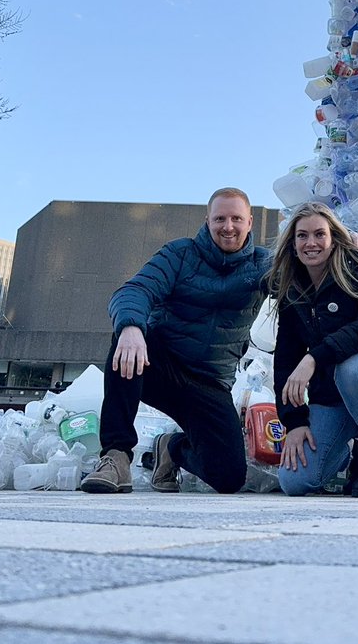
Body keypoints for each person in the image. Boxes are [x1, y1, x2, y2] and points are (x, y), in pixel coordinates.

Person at [81, 187, 271, 495]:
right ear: (207, 220)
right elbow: (135, 291)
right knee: (126, 337)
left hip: (210, 383)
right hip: (161, 365)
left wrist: (351, 245)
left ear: (250, 222)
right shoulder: (179, 253)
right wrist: (130, 328)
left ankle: (173, 447)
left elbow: (303, 271)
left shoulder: (263, 263)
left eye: (236, 218)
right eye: (220, 218)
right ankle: (116, 456)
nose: (228, 226)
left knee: (229, 477)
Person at [269, 202, 358, 497]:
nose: (311, 243)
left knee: (354, 366)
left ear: (334, 238)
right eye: (302, 236)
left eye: (319, 234)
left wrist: (315, 357)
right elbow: (286, 361)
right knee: (294, 481)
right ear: (292, 243)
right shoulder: (292, 291)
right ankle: (338, 453)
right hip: (334, 395)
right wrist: (294, 422)